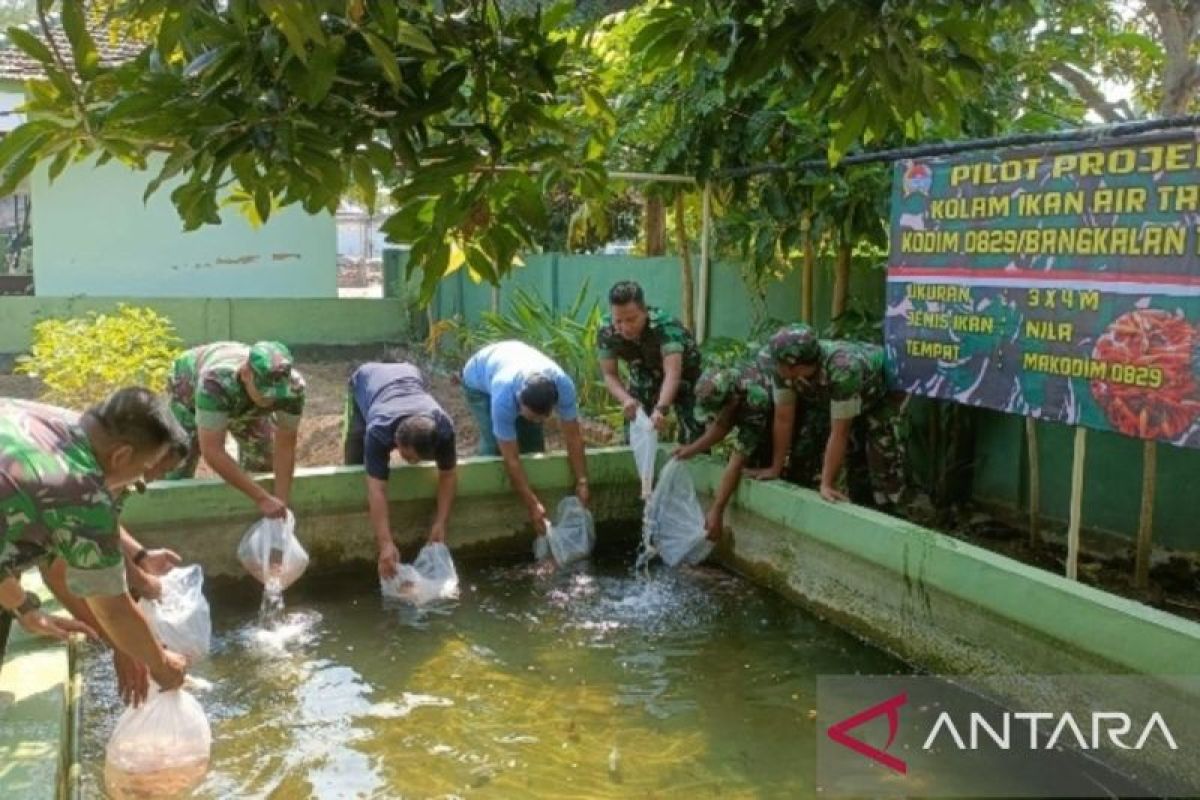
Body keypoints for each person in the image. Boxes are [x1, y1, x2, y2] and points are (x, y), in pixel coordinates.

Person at [0, 389, 189, 706]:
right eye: (144, 470)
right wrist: (162, 665)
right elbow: (111, 607)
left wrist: (24, 608)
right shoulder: (76, 489)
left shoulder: (50, 421)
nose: (140, 482)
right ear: (121, 456)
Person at [754, 323, 906, 508]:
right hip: (838, 393)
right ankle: (860, 497)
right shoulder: (783, 369)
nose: (774, 366)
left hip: (884, 390)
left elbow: (839, 432)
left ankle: (893, 505)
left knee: (880, 445)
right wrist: (775, 467)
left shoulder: (843, 370)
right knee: (844, 447)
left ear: (793, 366)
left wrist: (826, 484)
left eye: (777, 363)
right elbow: (783, 418)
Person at [163, 341, 305, 519]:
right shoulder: (215, 383)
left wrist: (280, 502)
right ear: (246, 374)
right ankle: (169, 518)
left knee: (262, 459)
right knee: (178, 462)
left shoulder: (293, 388)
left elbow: (284, 446)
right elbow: (213, 451)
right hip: (189, 385)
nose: (271, 399)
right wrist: (261, 498)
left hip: (243, 400)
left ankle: (248, 517)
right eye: (264, 391)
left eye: (277, 394)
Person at [461, 340, 589, 535]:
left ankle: (532, 496)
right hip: (478, 378)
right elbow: (511, 458)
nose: (538, 421)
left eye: (542, 418)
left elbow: (573, 436)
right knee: (494, 448)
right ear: (519, 402)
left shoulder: (563, 386)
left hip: (516, 359)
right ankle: (492, 505)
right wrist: (531, 504)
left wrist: (582, 481)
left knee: (533, 446)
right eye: (532, 416)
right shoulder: (503, 396)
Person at [343, 361, 458, 579]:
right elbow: (377, 489)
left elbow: (448, 474)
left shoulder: (443, 428)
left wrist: (441, 522)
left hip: (410, 374)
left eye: (417, 459)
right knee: (356, 453)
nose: (410, 462)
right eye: (407, 456)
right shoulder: (378, 430)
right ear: (395, 442)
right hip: (367, 379)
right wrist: (385, 543)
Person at [674, 361, 775, 539]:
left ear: (731, 402)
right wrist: (691, 450)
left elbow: (736, 461)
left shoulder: (755, 401)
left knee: (759, 460)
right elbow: (721, 425)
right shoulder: (721, 380)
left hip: (779, 412)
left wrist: (717, 510)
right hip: (751, 401)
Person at [597, 280, 704, 443]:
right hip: (644, 371)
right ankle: (640, 467)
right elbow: (609, 374)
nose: (625, 328)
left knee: (694, 436)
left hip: (685, 376)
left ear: (644, 312)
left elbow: (673, 373)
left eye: (631, 320)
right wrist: (626, 399)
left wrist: (661, 408)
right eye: (618, 321)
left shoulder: (666, 327)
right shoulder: (606, 330)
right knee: (636, 429)